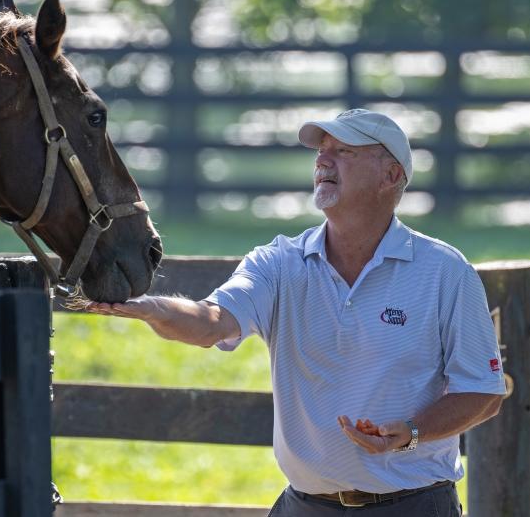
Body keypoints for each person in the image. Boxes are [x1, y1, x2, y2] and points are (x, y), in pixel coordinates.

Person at [87, 109, 505, 516]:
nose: (323, 159)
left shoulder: (445, 272)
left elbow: (484, 393)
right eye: (321, 150)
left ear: (390, 176)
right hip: (304, 506)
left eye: (344, 150)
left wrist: (411, 433)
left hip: (415, 506)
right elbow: (210, 323)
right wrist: (148, 309)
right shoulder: (278, 263)